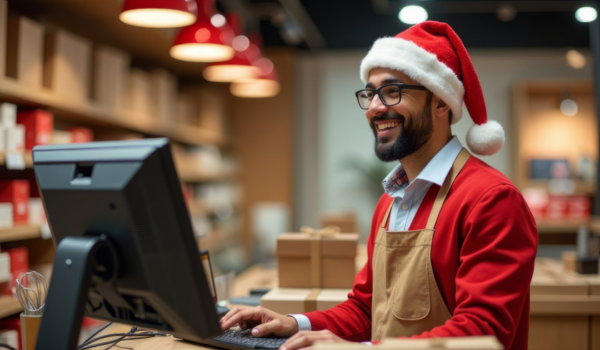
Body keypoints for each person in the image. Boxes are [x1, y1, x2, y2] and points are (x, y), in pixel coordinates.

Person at [220, 21, 538, 350]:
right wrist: (293, 323)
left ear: (441, 102)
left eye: (391, 91)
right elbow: (366, 309)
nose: (374, 108)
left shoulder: (492, 199)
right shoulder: (390, 202)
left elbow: (484, 332)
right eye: (370, 93)